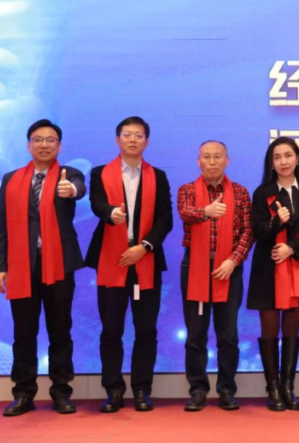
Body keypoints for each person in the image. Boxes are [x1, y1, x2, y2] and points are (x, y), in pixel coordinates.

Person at [0, 119, 85, 416]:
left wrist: (71, 190)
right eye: (38, 139)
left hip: (59, 265)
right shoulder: (11, 179)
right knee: (23, 333)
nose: (44, 144)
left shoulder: (69, 175)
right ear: (28, 145)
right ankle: (23, 393)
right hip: (21, 266)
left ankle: (61, 392)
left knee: (60, 331)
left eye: (50, 140)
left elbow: (78, 189)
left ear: (59, 146)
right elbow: (0, 225)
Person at [85, 116, 173, 413]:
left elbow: (165, 219)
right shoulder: (100, 173)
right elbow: (96, 203)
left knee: (146, 329)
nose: (132, 139)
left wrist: (144, 247)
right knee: (111, 330)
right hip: (112, 258)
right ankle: (113, 390)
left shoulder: (158, 176)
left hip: (145, 258)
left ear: (146, 141)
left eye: (138, 135)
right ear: (117, 140)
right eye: (127, 134)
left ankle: (142, 389)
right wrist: (111, 213)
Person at [248, 137, 299, 411]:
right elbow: (258, 231)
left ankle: (288, 388)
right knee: (269, 329)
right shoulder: (262, 193)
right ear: (271, 163)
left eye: (288, 155)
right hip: (268, 267)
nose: (283, 161)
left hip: (298, 265)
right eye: (277, 157)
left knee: (292, 328)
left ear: (297, 159)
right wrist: (276, 222)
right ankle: (272, 389)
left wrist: (291, 248)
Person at [177, 141, 253, 412]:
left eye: (217, 157)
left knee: (228, 334)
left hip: (228, 268)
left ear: (227, 161)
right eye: (206, 157)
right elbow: (185, 212)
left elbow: (248, 231)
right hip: (195, 267)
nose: (212, 161)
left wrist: (233, 261)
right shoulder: (187, 190)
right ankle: (198, 389)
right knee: (195, 334)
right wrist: (206, 212)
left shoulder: (240, 192)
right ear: (198, 161)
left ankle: (226, 389)